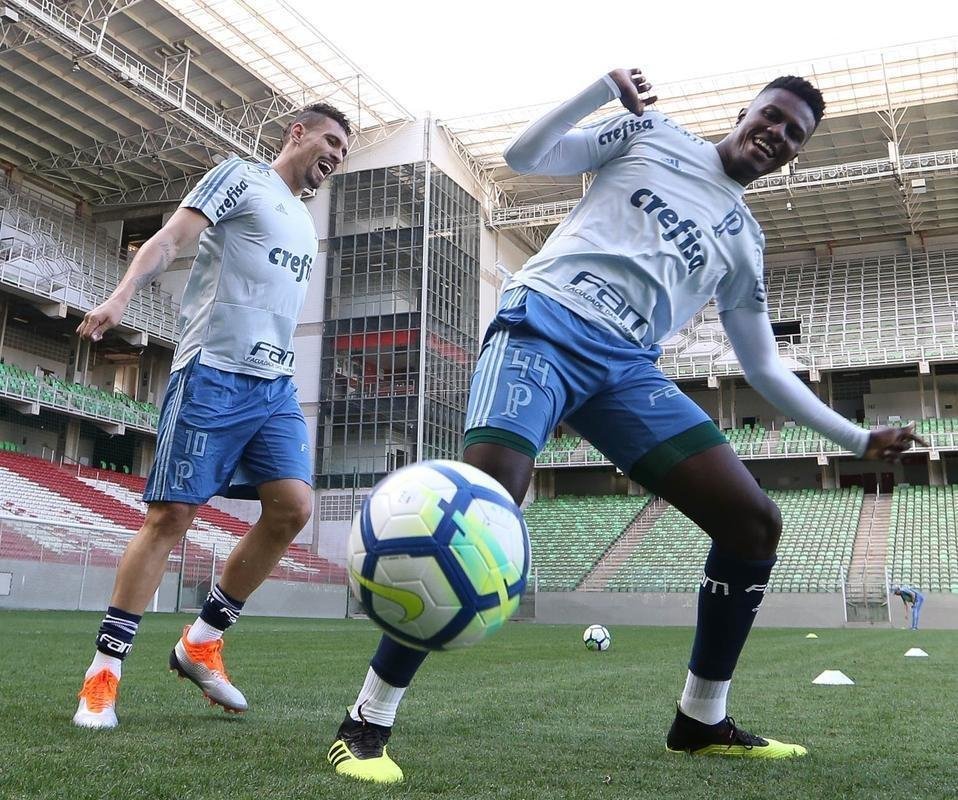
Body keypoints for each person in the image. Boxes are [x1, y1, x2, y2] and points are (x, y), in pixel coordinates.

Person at [326, 67, 926, 783]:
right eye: (772, 117)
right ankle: (366, 722)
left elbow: (763, 367)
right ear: (746, 111)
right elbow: (525, 158)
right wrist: (593, 93)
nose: (777, 135)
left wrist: (858, 441)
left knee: (753, 524)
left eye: (794, 134)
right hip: (542, 327)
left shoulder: (743, 242)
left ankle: (701, 720)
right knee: (480, 505)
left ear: (797, 152)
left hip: (627, 370)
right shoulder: (651, 133)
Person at [71, 102, 351, 729]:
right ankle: (103, 676)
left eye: (344, 150)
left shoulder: (305, 224)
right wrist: (122, 295)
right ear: (296, 133)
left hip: (274, 386)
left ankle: (202, 640)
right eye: (329, 140)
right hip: (212, 374)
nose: (335, 155)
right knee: (171, 516)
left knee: (293, 508)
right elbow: (172, 238)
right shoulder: (241, 176)